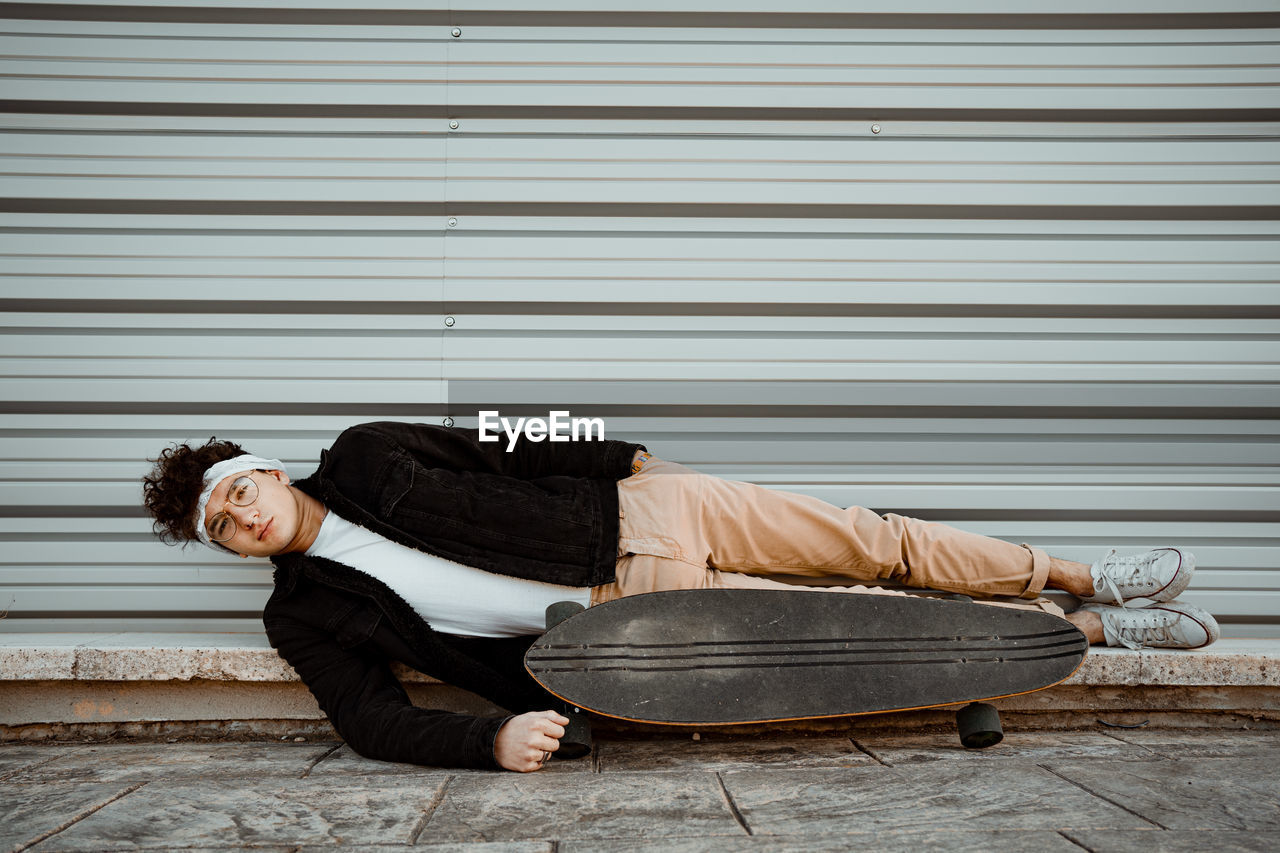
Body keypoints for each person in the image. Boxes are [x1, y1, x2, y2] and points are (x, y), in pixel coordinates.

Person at [141, 421, 1219, 772]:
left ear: (267, 471)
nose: (242, 516)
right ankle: (1088, 638)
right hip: (630, 636)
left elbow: (509, 437)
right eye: (221, 525)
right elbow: (368, 720)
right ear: (228, 544)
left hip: (646, 516)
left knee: (870, 544)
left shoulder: (368, 452)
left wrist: (625, 452)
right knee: (872, 631)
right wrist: (491, 738)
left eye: (240, 490)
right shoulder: (301, 614)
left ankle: (1077, 574)